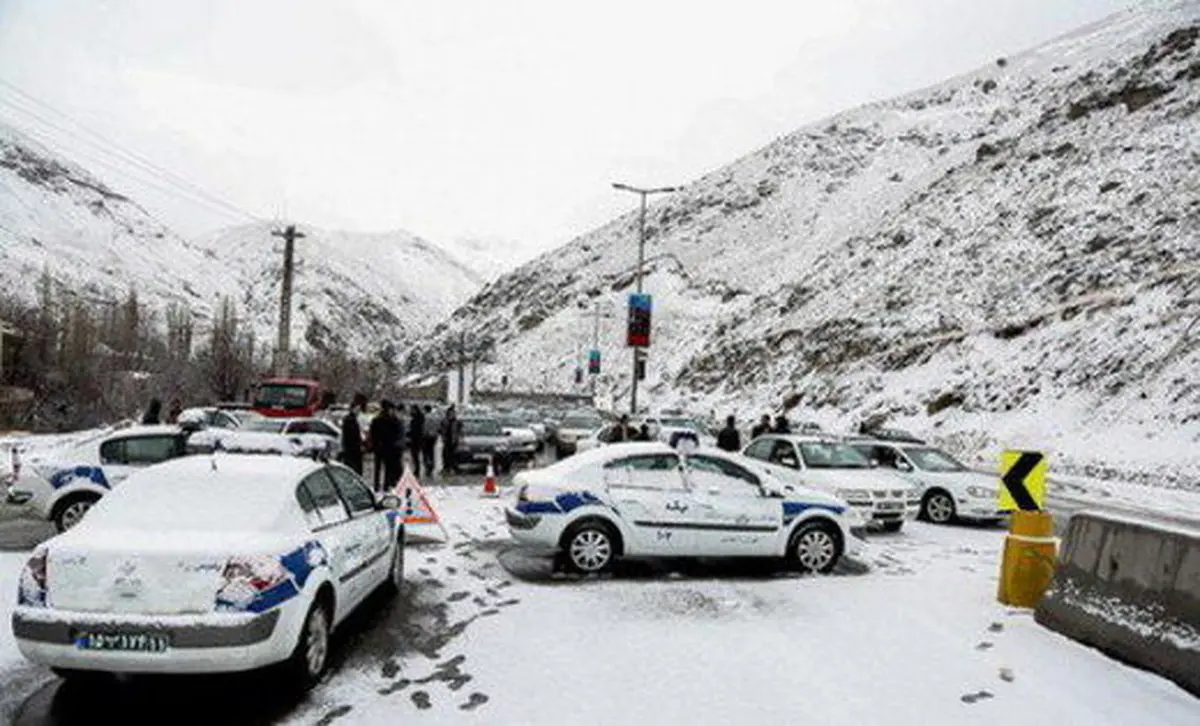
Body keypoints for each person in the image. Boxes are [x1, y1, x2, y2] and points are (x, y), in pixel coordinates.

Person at [370, 400, 402, 492]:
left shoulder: (376, 419)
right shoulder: (393, 420)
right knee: (388, 468)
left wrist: (375, 444)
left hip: (379, 447)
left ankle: (376, 485)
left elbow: (372, 434)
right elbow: (397, 433)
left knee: (378, 467)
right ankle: (385, 485)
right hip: (389, 447)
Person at [340, 393, 367, 475]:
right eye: (357, 409)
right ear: (353, 409)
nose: (358, 410)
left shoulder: (351, 419)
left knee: (353, 469)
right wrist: (360, 444)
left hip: (351, 449)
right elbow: (353, 435)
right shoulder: (350, 420)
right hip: (353, 450)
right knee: (354, 469)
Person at [441, 405, 462, 474]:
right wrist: (443, 437)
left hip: (454, 441)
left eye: (453, 413)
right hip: (447, 440)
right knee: (446, 455)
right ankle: (446, 468)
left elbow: (459, 431)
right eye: (450, 413)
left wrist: (458, 438)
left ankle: (455, 468)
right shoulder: (444, 421)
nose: (452, 414)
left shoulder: (457, 422)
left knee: (454, 455)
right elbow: (442, 430)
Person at [408, 403, 426, 479]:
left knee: (415, 456)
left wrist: (409, 433)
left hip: (416, 439)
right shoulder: (420, 418)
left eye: (412, 409)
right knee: (415, 456)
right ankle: (417, 470)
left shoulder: (416, 419)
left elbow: (415, 430)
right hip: (417, 439)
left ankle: (417, 471)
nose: (411, 411)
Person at [421, 404, 438, 475]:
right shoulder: (435, 417)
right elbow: (437, 426)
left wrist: (423, 435)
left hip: (427, 436)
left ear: (425, 410)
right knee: (431, 452)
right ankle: (432, 465)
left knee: (426, 452)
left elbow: (425, 428)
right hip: (434, 436)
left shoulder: (426, 417)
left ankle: (428, 466)